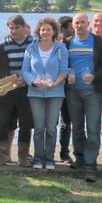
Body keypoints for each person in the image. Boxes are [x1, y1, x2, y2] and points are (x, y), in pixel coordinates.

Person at [65, 13, 102, 182]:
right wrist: (67, 75)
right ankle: (80, 157)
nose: (80, 25)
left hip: (93, 91)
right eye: (77, 23)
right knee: (77, 127)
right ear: (73, 25)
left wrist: (94, 76)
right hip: (73, 91)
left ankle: (91, 164)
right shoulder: (68, 42)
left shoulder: (98, 42)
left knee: (93, 128)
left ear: (88, 24)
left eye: (83, 22)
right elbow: (64, 64)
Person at [22, 16, 68, 170]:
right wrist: (33, 82)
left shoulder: (61, 48)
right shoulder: (31, 48)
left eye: (48, 29)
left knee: (50, 127)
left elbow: (63, 71)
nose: (45, 32)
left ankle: (49, 159)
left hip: (55, 93)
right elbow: (25, 70)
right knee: (39, 127)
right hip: (35, 92)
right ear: (39, 32)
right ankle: (37, 158)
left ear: (54, 31)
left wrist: (55, 83)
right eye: (43, 30)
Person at [0, 15, 34, 167]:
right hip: (7, 91)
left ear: (24, 27)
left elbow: (36, 65)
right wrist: (7, 81)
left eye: (17, 27)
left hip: (26, 89)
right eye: (11, 28)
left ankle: (23, 156)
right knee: (3, 122)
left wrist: (26, 79)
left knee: (25, 123)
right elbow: (0, 69)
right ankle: (2, 155)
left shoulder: (33, 43)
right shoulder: (3, 45)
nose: (14, 30)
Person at [57, 15, 74, 164]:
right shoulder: (53, 44)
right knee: (50, 122)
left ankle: (64, 152)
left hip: (69, 88)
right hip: (53, 87)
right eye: (71, 27)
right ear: (63, 29)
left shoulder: (73, 43)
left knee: (66, 121)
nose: (74, 29)